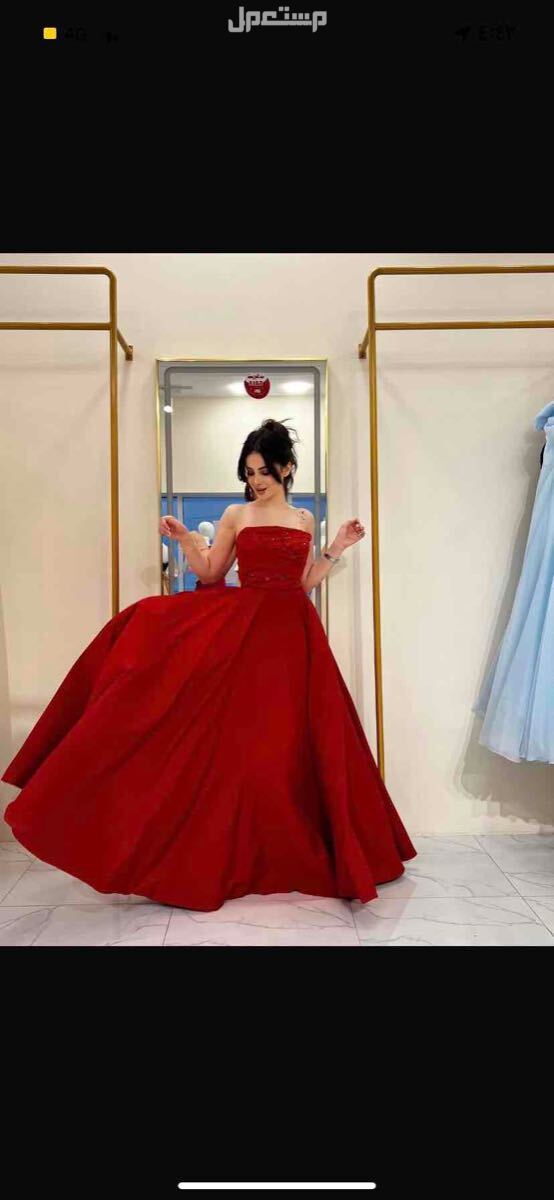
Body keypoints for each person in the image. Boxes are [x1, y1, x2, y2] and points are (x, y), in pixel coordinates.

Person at [1, 418, 416, 911]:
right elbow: (213, 572)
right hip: (247, 632)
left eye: (264, 471)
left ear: (287, 468)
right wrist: (185, 539)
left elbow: (304, 583)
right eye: (249, 472)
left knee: (294, 743)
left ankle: (291, 848)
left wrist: (337, 547)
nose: (256, 481)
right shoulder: (236, 514)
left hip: (294, 637)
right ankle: (229, 853)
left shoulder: (304, 519)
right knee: (239, 742)